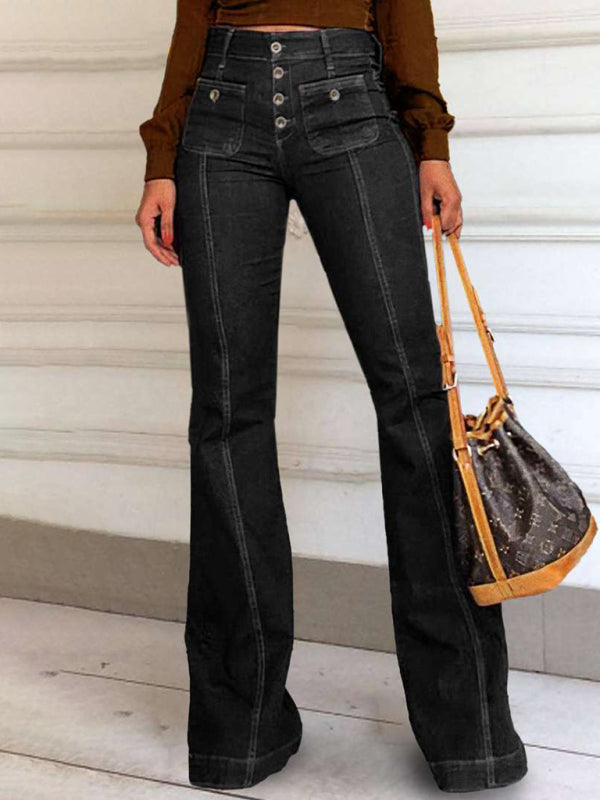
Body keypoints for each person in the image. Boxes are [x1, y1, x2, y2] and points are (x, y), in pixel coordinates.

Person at [134, 1, 528, 793]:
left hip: (351, 102)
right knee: (227, 415)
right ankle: (241, 730)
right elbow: (192, 16)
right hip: (220, 112)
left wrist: (430, 143)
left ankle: (468, 734)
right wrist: (161, 159)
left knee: (415, 404)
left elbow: (404, 11)